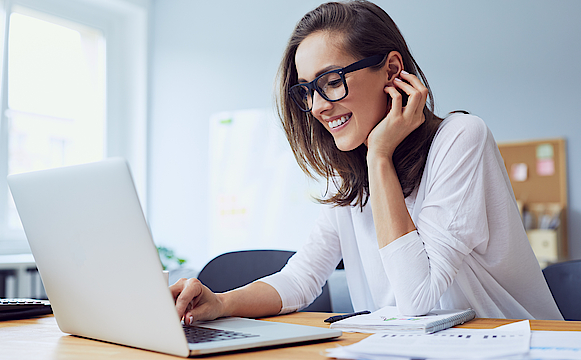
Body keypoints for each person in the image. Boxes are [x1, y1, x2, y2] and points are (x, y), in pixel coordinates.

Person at [170, 0, 563, 324]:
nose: (319, 106)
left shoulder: (461, 138)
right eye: (307, 91)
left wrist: (379, 155)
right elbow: (300, 279)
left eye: (332, 80)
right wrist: (220, 303)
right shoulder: (352, 177)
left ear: (392, 70)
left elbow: (418, 298)